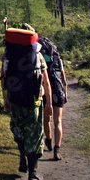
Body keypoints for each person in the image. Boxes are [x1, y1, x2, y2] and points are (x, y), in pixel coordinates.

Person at [1, 26, 54, 180]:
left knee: (19, 130)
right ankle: (33, 173)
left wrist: (6, 99)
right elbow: (45, 81)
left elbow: (3, 78)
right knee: (35, 135)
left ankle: (22, 158)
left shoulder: (8, 55)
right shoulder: (37, 56)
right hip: (34, 101)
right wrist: (49, 103)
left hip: (15, 98)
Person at [38, 33, 68, 161]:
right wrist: (65, 93)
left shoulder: (40, 59)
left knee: (46, 118)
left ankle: (48, 141)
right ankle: (57, 150)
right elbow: (64, 79)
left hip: (46, 90)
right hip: (59, 90)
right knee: (58, 121)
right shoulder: (58, 59)